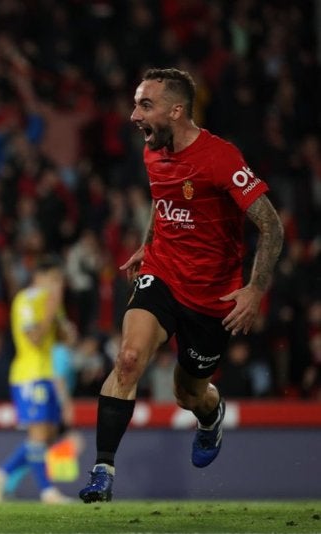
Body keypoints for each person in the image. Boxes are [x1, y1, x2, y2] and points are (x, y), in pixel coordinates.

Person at [79, 68, 284, 503]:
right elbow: (163, 198)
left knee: (188, 394)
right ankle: (102, 470)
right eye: (136, 103)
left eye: (145, 105)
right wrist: (147, 244)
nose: (135, 115)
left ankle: (210, 414)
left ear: (177, 110)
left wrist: (254, 289)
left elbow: (272, 225)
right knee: (130, 358)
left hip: (212, 294)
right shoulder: (153, 150)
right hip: (163, 272)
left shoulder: (221, 158)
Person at [0, 255, 75, 504]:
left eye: (60, 279)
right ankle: (47, 491)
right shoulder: (26, 300)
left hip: (47, 374)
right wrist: (50, 311)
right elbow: (34, 337)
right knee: (38, 435)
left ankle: (1, 474)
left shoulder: (52, 302)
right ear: (39, 279)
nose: (58, 284)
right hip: (28, 375)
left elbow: (65, 341)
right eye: (53, 279)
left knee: (50, 435)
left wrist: (63, 323)